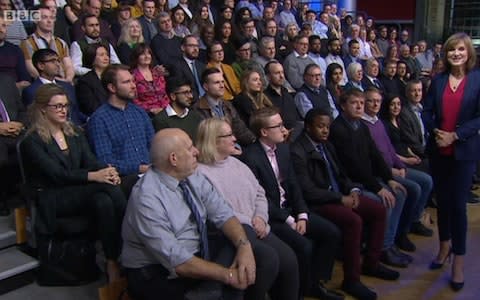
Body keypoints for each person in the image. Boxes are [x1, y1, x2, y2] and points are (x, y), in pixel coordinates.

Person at [121, 128, 256, 300]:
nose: (196, 152)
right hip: (157, 272)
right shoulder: (146, 199)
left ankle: (212, 288)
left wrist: (244, 246)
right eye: (190, 148)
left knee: (252, 245)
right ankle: (214, 289)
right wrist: (227, 275)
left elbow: (224, 214)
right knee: (233, 280)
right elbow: (177, 261)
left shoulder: (192, 175)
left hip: (196, 251)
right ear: (174, 159)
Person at [291, 107, 400, 299]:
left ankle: (372, 263)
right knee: (353, 221)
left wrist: (353, 189)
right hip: (318, 202)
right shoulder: (299, 151)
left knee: (378, 210)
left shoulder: (326, 145)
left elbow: (341, 175)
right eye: (320, 127)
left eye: (327, 126)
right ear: (308, 128)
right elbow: (308, 191)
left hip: (339, 195)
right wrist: (341, 199)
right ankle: (351, 280)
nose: (325, 130)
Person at [21, 84, 126, 282]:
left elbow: (92, 162)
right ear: (43, 108)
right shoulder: (32, 141)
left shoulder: (75, 133)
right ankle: (130, 243)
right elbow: (57, 175)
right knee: (105, 188)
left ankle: (112, 260)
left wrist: (108, 172)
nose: (63, 110)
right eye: (57, 106)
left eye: (65, 106)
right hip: (53, 196)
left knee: (103, 201)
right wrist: (94, 176)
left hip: (80, 192)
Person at [242, 108, 346, 299]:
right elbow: (260, 199)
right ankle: (299, 292)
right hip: (271, 216)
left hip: (291, 210)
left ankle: (316, 283)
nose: (284, 130)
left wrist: (302, 214)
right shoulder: (251, 157)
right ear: (264, 132)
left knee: (331, 233)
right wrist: (290, 220)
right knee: (303, 246)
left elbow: (293, 184)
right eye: (278, 126)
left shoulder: (283, 149)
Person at [196, 117, 299, 300]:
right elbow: (217, 209)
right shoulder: (200, 172)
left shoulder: (238, 163)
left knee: (289, 260)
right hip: (230, 233)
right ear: (212, 140)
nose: (234, 138)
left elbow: (259, 193)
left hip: (257, 225)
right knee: (269, 260)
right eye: (228, 135)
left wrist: (260, 217)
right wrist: (250, 221)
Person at [422, 32, 480, 291]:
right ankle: (443, 246)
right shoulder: (438, 80)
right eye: (451, 50)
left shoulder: (478, 80)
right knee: (443, 203)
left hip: (463, 152)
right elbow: (427, 111)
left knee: (458, 206)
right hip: (439, 150)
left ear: (468, 53)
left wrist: (455, 136)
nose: (456, 53)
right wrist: (438, 133)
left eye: (460, 49)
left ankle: (458, 259)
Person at [329, 89, 410, 268]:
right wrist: (378, 187)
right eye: (354, 103)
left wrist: (388, 179)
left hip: (368, 179)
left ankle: (389, 242)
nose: (359, 106)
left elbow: (375, 155)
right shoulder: (338, 129)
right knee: (385, 201)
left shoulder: (362, 126)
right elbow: (353, 166)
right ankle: (381, 249)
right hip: (352, 184)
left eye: (361, 103)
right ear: (343, 106)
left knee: (400, 192)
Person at [362, 89, 433, 253]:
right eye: (371, 101)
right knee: (411, 189)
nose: (375, 104)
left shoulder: (377, 122)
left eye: (378, 101)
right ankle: (389, 241)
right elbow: (372, 158)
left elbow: (389, 149)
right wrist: (391, 171)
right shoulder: (364, 125)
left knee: (426, 181)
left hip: (394, 167)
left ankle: (409, 225)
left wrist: (400, 165)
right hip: (383, 173)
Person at [88, 64, 154, 197]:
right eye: (126, 82)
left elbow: (154, 144)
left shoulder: (139, 112)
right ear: (112, 88)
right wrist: (139, 168)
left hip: (152, 174)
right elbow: (105, 160)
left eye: (133, 81)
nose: (133, 85)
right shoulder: (99, 119)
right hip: (125, 180)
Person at [194, 67, 256, 146]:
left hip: (234, 146)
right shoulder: (198, 108)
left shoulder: (228, 105)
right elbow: (208, 138)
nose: (222, 86)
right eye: (217, 83)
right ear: (206, 87)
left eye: (222, 82)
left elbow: (240, 129)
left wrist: (254, 142)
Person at [20, 5, 74, 83]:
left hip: (63, 81)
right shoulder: (27, 43)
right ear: (35, 20)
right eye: (45, 17)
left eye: (51, 18)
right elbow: (31, 68)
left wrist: (68, 79)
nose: (49, 21)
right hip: (42, 84)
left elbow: (69, 66)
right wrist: (49, 81)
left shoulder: (61, 42)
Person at [130, 43, 169, 116]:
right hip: (146, 114)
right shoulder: (132, 76)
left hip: (165, 111)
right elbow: (134, 100)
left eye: (148, 53)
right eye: (142, 54)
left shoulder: (157, 73)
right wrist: (150, 110)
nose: (146, 56)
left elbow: (164, 95)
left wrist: (165, 108)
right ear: (136, 57)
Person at [75, 44, 109, 117]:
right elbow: (90, 107)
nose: (106, 58)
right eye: (101, 55)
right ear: (92, 57)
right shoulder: (85, 81)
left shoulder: (113, 76)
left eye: (107, 54)